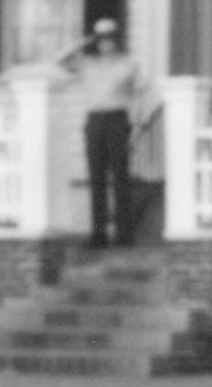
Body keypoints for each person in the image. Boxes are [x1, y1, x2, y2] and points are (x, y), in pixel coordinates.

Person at [57, 18, 149, 249]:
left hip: (117, 120)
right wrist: (84, 40)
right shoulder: (87, 64)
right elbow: (58, 60)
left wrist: (136, 125)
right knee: (96, 178)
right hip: (94, 122)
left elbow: (139, 94)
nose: (105, 44)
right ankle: (98, 235)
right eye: (101, 40)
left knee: (120, 177)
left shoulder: (128, 64)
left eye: (109, 39)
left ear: (116, 41)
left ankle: (124, 235)